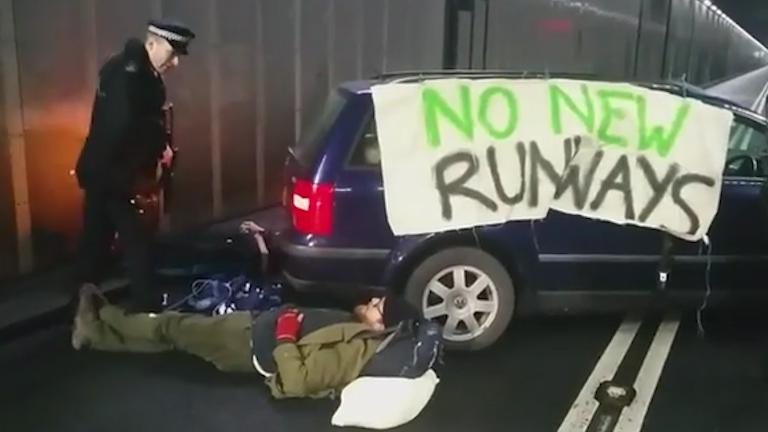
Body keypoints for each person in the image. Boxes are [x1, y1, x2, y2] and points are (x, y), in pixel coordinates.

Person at [71, 284, 421, 399]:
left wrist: (284, 334)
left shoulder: (357, 349)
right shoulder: (354, 327)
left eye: (378, 308)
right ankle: (96, 336)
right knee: (173, 338)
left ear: (381, 327)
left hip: (246, 343)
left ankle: (103, 315)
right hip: (250, 330)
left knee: (171, 326)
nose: (372, 303)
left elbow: (298, 381)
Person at [74, 19, 196, 312]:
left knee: (96, 242)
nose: (175, 62)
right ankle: (147, 312)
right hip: (113, 175)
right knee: (137, 243)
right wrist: (155, 149)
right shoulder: (132, 78)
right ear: (151, 44)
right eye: (172, 52)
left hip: (102, 173)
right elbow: (122, 128)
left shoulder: (128, 70)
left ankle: (80, 306)